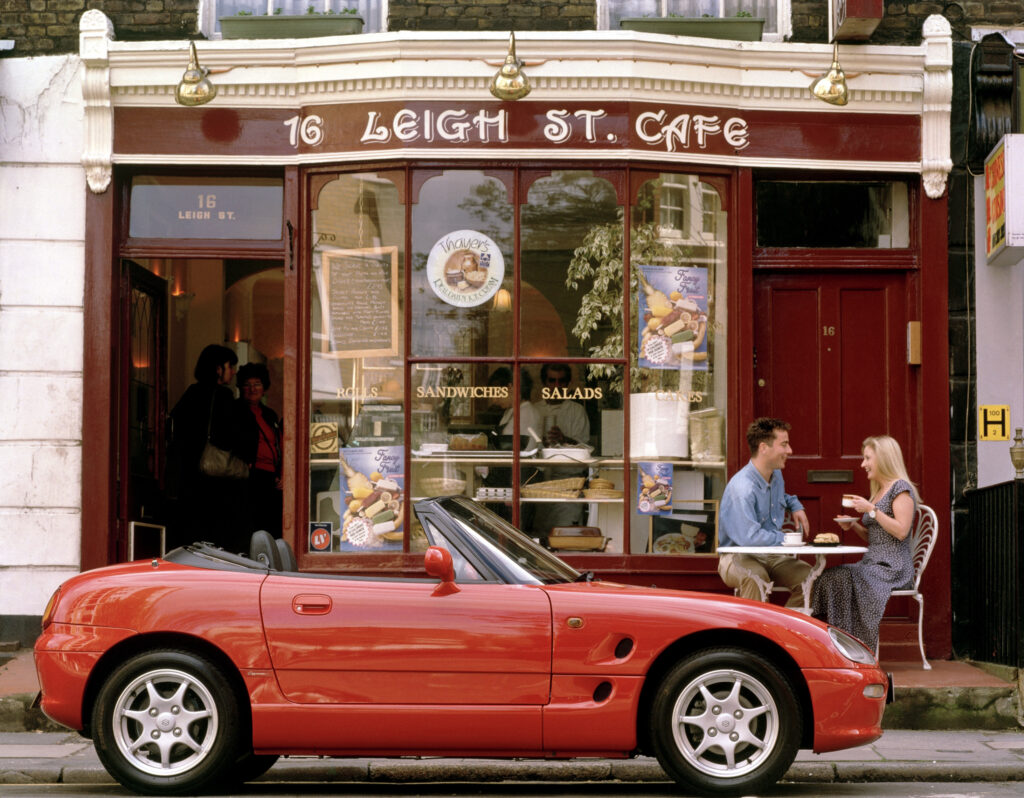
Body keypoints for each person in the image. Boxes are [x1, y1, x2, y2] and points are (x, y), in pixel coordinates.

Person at [811, 435, 918, 650]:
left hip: (893, 568)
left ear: (884, 459)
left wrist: (871, 510)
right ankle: (837, 640)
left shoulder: (900, 489)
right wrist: (854, 527)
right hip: (873, 565)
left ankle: (852, 646)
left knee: (840, 577)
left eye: (868, 458)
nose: (863, 464)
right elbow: (877, 537)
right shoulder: (879, 491)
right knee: (829, 576)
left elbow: (901, 531)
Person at [717, 417, 812, 610]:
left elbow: (780, 496)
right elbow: (748, 538)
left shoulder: (774, 473)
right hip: (736, 556)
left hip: (770, 554)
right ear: (763, 448)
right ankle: (757, 637)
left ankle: (785, 630)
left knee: (813, 580)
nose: (790, 451)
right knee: (756, 578)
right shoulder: (742, 489)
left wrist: (795, 505)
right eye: (784, 445)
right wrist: (786, 540)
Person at [167, 344, 246, 551]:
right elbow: (232, 435)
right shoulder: (223, 397)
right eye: (230, 366)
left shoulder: (191, 393)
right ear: (218, 369)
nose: (234, 372)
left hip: (188, 479)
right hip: (214, 480)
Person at [531, 363, 591, 539]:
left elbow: (586, 449)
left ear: (568, 383)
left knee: (567, 536)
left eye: (561, 381)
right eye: (552, 381)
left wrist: (565, 440)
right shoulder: (535, 410)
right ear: (544, 383)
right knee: (541, 537)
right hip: (540, 486)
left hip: (568, 486)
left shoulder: (576, 411)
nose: (556, 386)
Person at [234, 362, 283, 538]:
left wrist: (282, 473)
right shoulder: (234, 411)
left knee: (271, 526)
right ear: (240, 387)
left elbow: (280, 445)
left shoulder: (270, 414)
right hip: (248, 477)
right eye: (247, 384)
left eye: (257, 384)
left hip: (271, 479)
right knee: (250, 526)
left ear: (264, 388)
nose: (252, 389)